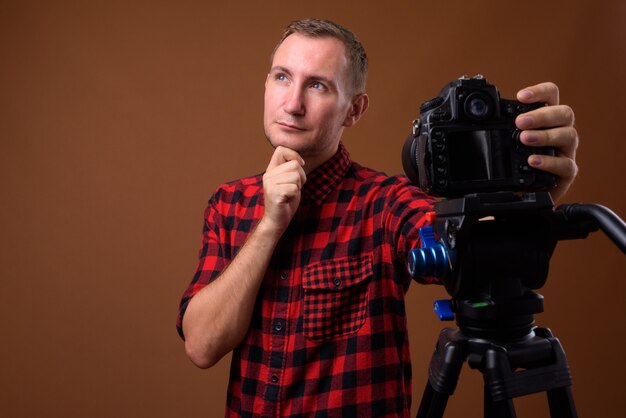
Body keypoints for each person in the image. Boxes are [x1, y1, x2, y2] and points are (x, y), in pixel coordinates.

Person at [177, 18, 579, 417]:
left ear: (354, 109)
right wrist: (269, 225)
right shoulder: (229, 203)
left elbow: (470, 255)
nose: (293, 104)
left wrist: (532, 201)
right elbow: (202, 345)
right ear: (266, 85)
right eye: (283, 77)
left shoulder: (387, 203)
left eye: (317, 85)